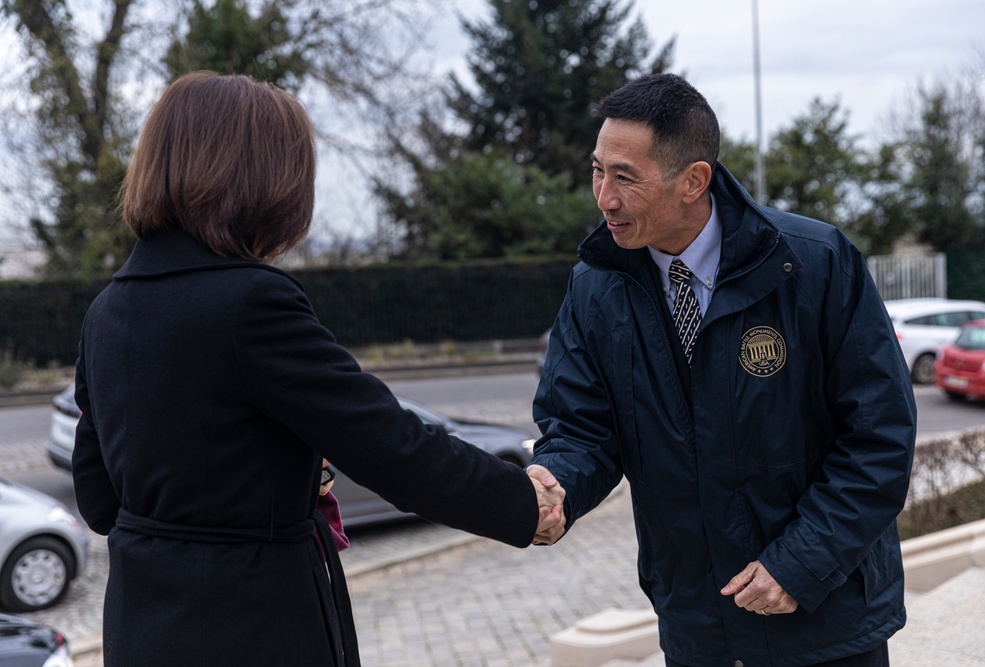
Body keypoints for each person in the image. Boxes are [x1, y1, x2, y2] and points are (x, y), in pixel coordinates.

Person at [71, 70, 565, 667]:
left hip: (139, 628)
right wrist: (519, 501)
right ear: (264, 180)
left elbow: (100, 501)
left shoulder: (106, 310)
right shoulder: (250, 301)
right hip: (253, 625)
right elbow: (388, 443)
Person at [528, 73, 916, 666]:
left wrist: (800, 563)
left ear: (693, 180)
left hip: (826, 624)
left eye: (625, 176)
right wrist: (555, 487)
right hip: (696, 628)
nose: (604, 197)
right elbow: (581, 429)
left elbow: (879, 437)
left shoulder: (815, 264)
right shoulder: (594, 286)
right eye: (598, 171)